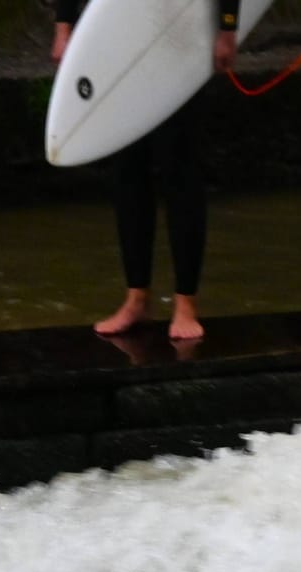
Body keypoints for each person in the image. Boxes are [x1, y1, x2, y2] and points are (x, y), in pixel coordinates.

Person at [51, 0, 236, 342]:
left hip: (178, 30)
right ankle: (136, 297)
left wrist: (227, 27)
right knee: (127, 169)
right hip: (117, 35)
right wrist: (65, 26)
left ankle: (186, 303)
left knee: (179, 166)